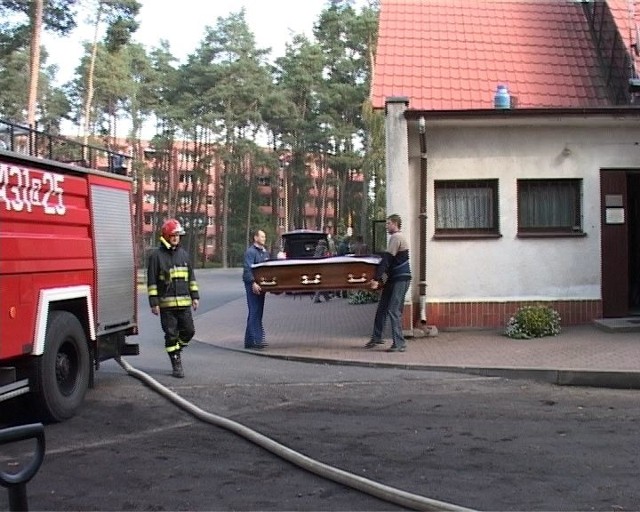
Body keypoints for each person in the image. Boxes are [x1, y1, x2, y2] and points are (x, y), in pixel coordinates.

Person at [147, 218, 200, 378]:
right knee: (170, 334)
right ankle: (176, 362)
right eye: (174, 235)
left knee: (189, 331)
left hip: (184, 304)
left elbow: (191, 277)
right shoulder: (156, 256)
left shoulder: (184, 255)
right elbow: (152, 282)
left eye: (178, 235)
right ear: (167, 235)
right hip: (166, 305)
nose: (177, 238)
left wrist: (195, 296)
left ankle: (176, 349)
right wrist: (154, 303)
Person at [364, 214, 411, 353]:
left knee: (393, 310)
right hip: (394, 278)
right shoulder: (395, 238)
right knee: (382, 308)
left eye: (388, 223)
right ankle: (377, 337)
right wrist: (379, 281)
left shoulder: (396, 237)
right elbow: (389, 265)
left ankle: (400, 343)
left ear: (395, 224)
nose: (386, 226)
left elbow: (387, 261)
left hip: (400, 279)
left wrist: (377, 279)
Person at [243, 229, 270, 349]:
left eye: (265, 237)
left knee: (256, 312)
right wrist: (253, 282)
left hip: (261, 285)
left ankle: (249, 341)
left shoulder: (264, 252)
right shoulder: (250, 252)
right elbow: (247, 269)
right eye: (262, 237)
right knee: (255, 311)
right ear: (255, 238)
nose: (264, 239)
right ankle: (257, 340)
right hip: (253, 286)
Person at [312, 239, 332, 303]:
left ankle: (327, 297)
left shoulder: (316, 249)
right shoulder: (324, 249)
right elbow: (326, 257)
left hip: (316, 266)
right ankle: (317, 298)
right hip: (322, 267)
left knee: (322, 282)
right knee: (322, 282)